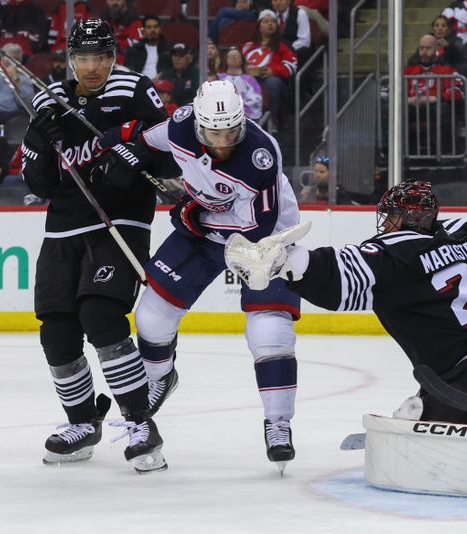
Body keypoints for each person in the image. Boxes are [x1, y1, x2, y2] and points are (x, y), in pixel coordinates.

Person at [225, 180, 467, 499]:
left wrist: (280, 262)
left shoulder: (393, 253)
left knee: (428, 444)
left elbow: (333, 275)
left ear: (400, 219)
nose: (385, 224)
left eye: (389, 217)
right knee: (418, 414)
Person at [111, 79, 302, 471]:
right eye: (215, 132)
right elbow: (144, 138)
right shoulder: (182, 124)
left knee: (269, 330)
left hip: (264, 240)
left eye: (232, 130)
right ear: (199, 125)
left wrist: (196, 214)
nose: (224, 140)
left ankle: (278, 424)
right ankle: (160, 379)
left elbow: (257, 227)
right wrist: (117, 146)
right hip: (204, 228)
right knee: (151, 315)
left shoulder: (260, 155)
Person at [20, 19, 171, 473]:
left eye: (101, 57)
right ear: (71, 58)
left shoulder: (135, 90)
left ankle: (140, 421)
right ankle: (83, 421)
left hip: (120, 220)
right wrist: (41, 142)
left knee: (101, 315)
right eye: (84, 58)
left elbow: (168, 150)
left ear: (113, 57)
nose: (92, 67)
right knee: (57, 329)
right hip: (64, 225)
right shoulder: (49, 99)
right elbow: (39, 183)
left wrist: (132, 163)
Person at [242, 10, 298, 132]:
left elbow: (291, 65)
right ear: (259, 26)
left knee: (272, 83)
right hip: (250, 80)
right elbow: (238, 62)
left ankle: (271, 120)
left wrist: (274, 70)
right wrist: (245, 71)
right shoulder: (248, 46)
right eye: (266, 21)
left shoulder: (282, 45)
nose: (270, 24)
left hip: (272, 80)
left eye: (273, 21)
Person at [217, 46, 263, 120]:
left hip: (245, 117)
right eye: (231, 57)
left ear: (242, 60)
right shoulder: (218, 78)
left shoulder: (250, 80)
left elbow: (256, 100)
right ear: (225, 60)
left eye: (237, 56)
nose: (234, 58)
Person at [123, 15, 171, 79]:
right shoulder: (134, 50)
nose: (152, 30)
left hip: (163, 84)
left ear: (160, 29)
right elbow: (129, 69)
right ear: (143, 31)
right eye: (149, 27)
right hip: (140, 85)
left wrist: (163, 75)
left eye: (155, 27)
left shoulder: (169, 49)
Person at [155, 43, 199, 107]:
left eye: (181, 55)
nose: (177, 58)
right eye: (175, 55)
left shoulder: (196, 74)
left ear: (189, 58)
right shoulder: (166, 74)